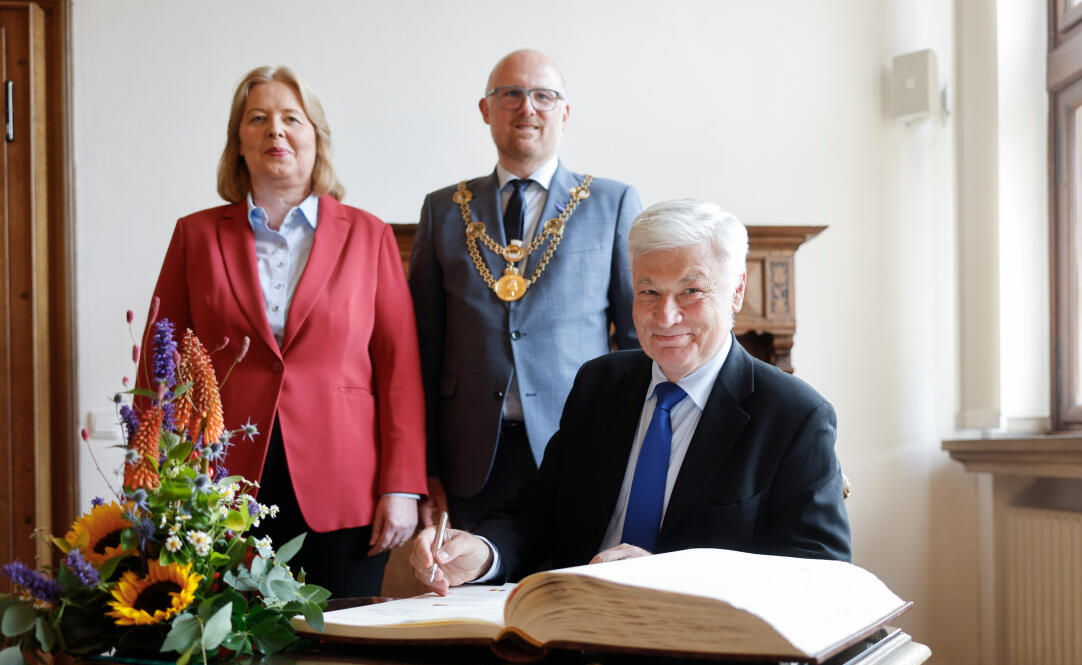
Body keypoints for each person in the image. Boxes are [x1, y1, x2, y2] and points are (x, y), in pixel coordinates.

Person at [411, 199, 851, 591]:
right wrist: (484, 553)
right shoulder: (599, 385)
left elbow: (820, 574)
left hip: (705, 652)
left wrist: (670, 576)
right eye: (648, 292)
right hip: (574, 633)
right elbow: (541, 512)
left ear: (736, 292)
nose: (666, 316)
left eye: (691, 291)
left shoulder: (794, 415)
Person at [144, 65, 426, 598]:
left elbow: (400, 372)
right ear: (239, 143)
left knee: (340, 650)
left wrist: (402, 486)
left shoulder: (370, 236)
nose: (276, 131)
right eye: (258, 119)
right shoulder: (195, 236)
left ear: (315, 138)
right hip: (220, 485)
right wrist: (158, 477)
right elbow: (161, 365)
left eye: (291, 118)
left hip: (345, 487)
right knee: (234, 649)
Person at [408, 49, 642, 531]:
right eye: (511, 94)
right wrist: (424, 466)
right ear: (485, 109)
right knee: (473, 599)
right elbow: (423, 352)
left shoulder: (612, 203)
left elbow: (638, 342)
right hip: (470, 458)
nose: (527, 108)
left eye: (543, 95)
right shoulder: (443, 210)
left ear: (565, 112)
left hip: (579, 442)